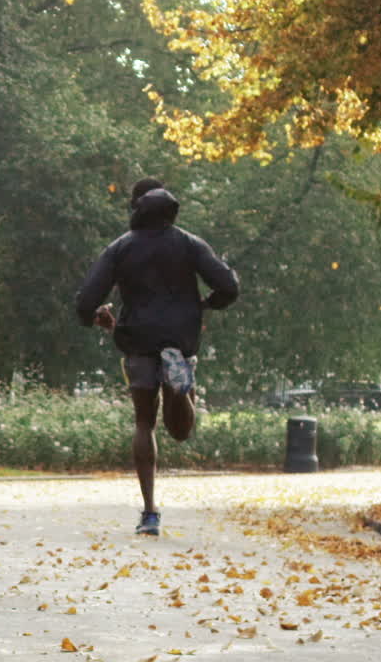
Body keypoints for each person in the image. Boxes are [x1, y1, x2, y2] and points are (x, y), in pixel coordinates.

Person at [75, 177, 239, 536]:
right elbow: (229, 286)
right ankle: (179, 387)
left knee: (144, 423)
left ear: (136, 208)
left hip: (137, 341)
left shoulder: (120, 248)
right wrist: (206, 305)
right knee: (181, 430)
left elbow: (85, 301)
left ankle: (150, 512)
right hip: (179, 339)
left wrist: (98, 317)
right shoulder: (190, 244)